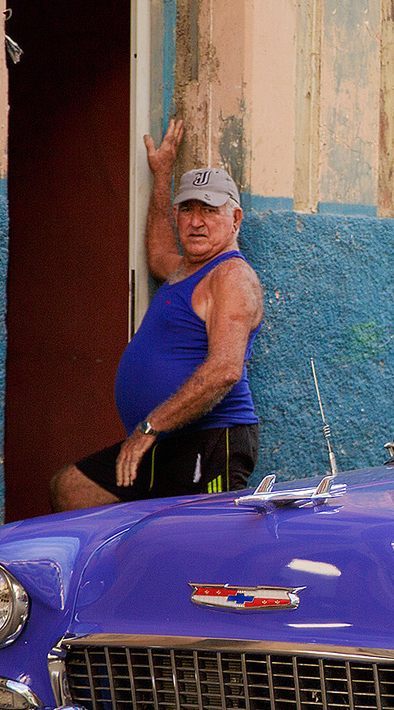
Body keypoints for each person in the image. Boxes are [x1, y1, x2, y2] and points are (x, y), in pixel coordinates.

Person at [49, 118, 264, 512]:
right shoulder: (187, 268)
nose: (196, 221)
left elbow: (225, 370)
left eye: (209, 211)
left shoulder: (231, 276)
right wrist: (162, 174)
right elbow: (158, 252)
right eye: (187, 210)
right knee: (73, 489)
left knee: (202, 543)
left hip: (210, 439)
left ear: (235, 220)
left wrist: (149, 427)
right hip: (166, 438)